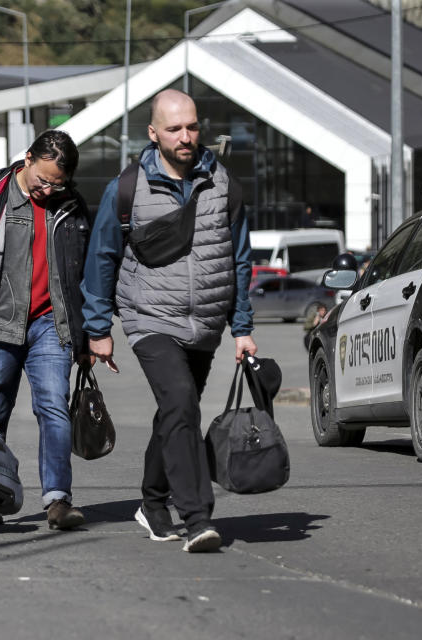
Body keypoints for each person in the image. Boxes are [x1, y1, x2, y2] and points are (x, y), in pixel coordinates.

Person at [81, 89, 257, 553]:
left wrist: (241, 327)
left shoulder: (224, 184)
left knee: (176, 409)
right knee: (181, 400)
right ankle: (197, 516)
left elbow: (239, 259)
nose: (186, 136)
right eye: (175, 128)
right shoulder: (127, 188)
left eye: (193, 126)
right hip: (149, 317)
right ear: (153, 133)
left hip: (206, 322)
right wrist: (98, 328)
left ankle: (152, 502)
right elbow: (102, 257)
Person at [0, 129, 91, 530]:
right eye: (43, 179)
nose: (48, 189)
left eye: (57, 183)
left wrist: (85, 336)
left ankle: (58, 501)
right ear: (27, 159)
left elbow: (83, 274)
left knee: (54, 409)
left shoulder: (73, 205)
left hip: (51, 324)